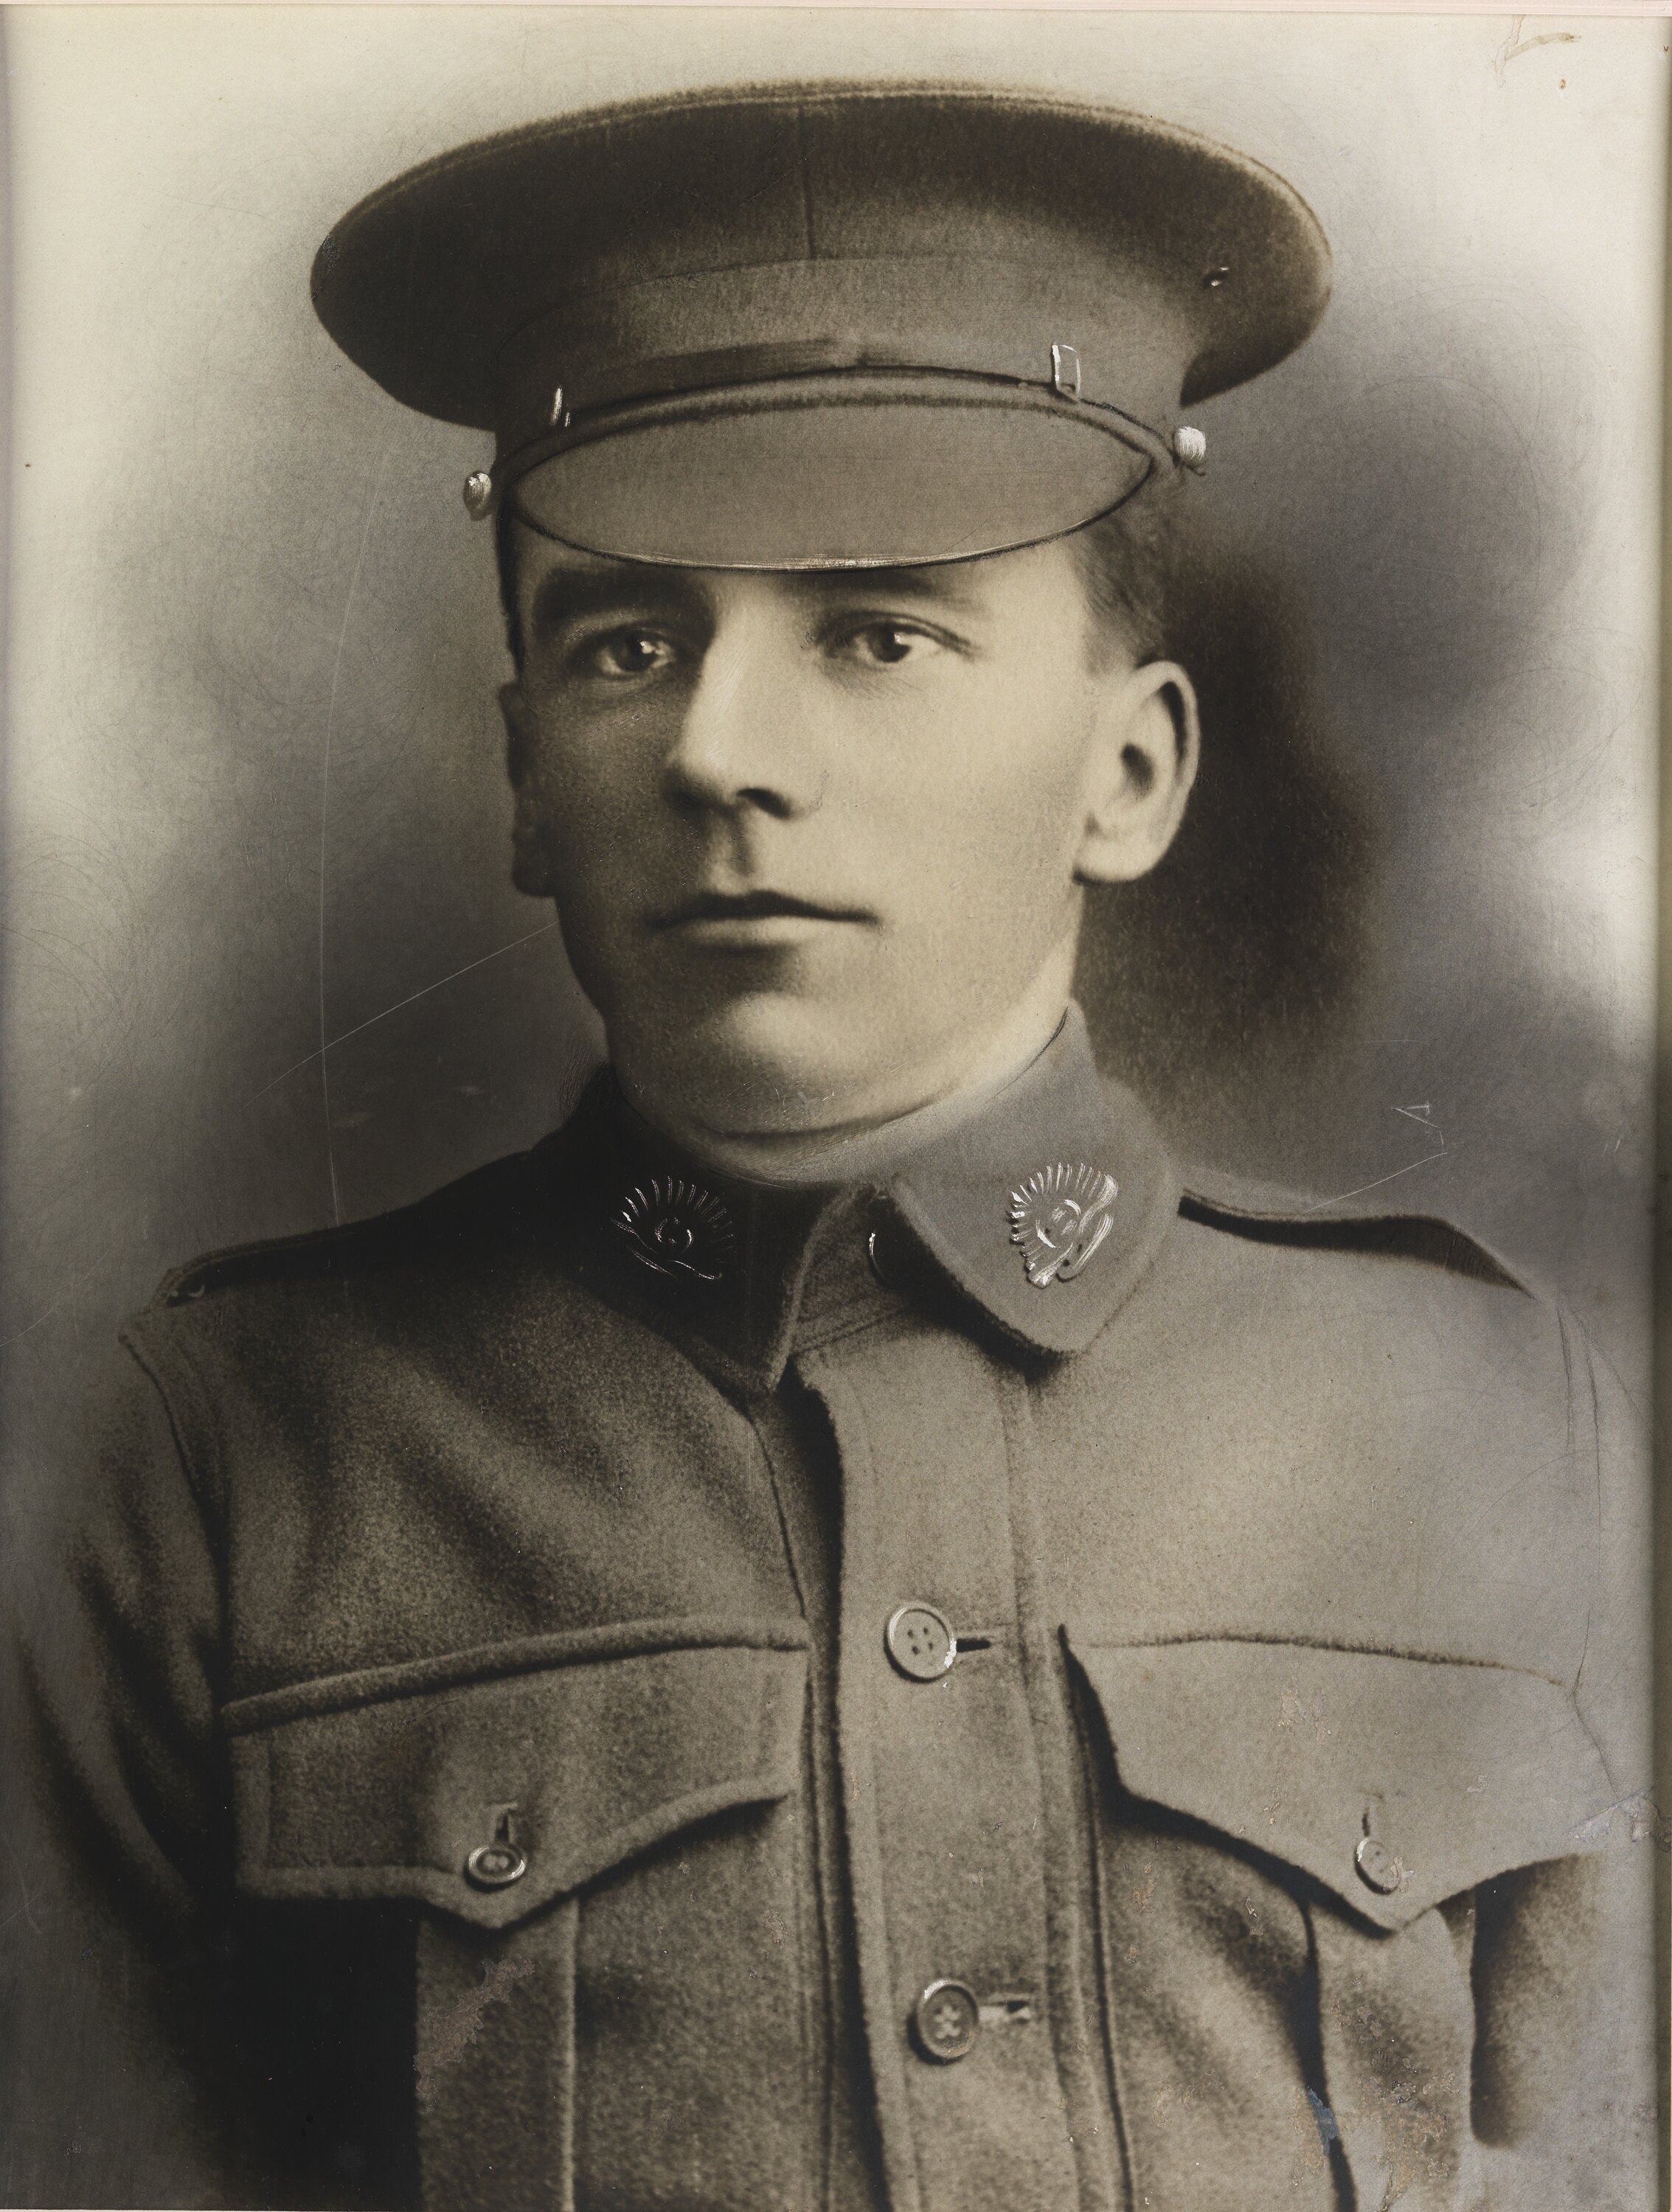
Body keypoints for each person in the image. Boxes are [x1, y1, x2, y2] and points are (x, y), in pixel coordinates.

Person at [10, 80, 1654, 2212]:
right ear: (525, 779)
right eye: (627, 644)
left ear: (1129, 772)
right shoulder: (225, 1459)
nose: (716, 750)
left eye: (876, 634)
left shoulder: (1488, 1423)